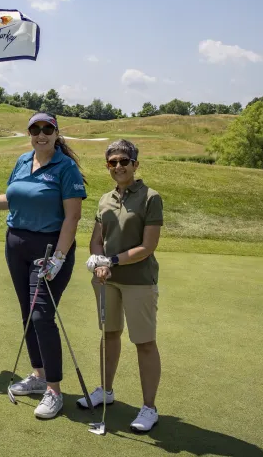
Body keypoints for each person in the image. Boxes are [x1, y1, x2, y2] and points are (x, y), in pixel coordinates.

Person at [0, 113, 86, 419]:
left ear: (56, 133)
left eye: (47, 129)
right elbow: (11, 199)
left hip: (48, 248)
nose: (41, 134)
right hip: (16, 245)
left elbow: (72, 217)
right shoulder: (23, 161)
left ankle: (54, 390)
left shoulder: (65, 168)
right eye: (35, 129)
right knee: (28, 313)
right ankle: (39, 375)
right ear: (29, 133)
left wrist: (59, 257)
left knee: (41, 315)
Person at [79, 139, 164, 433]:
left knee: (144, 343)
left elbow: (147, 246)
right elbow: (96, 238)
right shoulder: (104, 199)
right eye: (112, 162)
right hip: (106, 281)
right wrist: (96, 260)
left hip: (138, 281)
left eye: (124, 161)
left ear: (135, 165)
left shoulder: (151, 197)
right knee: (109, 334)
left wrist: (109, 261)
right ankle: (106, 390)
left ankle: (149, 407)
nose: (118, 167)